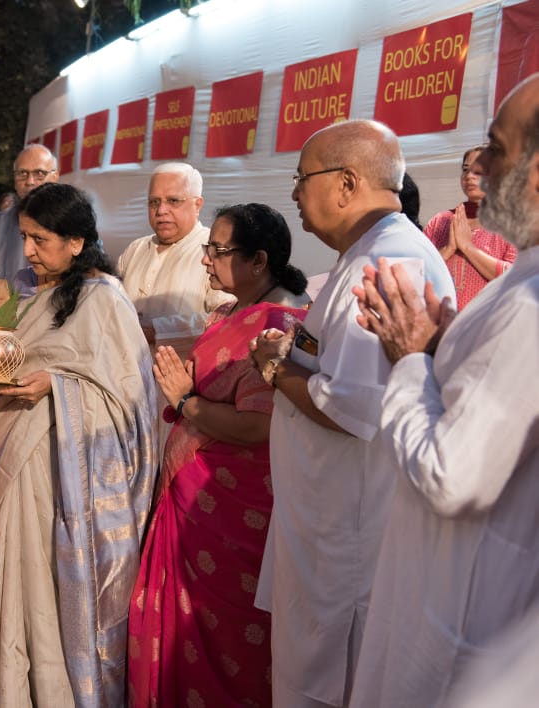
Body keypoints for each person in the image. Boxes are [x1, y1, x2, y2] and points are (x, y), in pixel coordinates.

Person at [248, 119, 455, 708]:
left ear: (345, 183)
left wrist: (273, 367)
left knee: (331, 685)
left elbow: (348, 408)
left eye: (301, 178)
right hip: (329, 520)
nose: (293, 194)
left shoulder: (389, 263)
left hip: (351, 535)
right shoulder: (365, 254)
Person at [348, 72, 539, 707]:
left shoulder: (532, 304)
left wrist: (408, 359)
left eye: (496, 147)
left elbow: (453, 475)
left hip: (460, 627)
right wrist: (439, 345)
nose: (479, 164)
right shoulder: (526, 274)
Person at [0, 183, 159, 708]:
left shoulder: (105, 300)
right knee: (11, 578)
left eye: (39, 239)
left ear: (75, 242)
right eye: (24, 237)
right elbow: (13, 356)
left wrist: (58, 385)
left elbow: (130, 403)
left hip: (61, 470)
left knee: (45, 585)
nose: (27, 252)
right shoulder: (29, 289)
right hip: (18, 455)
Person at [128, 203, 310, 708]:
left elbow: (260, 426)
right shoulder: (231, 311)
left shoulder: (278, 325)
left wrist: (186, 401)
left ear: (258, 260)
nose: (206, 260)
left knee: (225, 636)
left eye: (218, 251)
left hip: (232, 507)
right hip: (196, 495)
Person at [118, 162, 235, 358]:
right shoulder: (135, 249)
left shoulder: (215, 249)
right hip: (124, 374)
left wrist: (157, 331)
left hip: (183, 381)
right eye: (154, 202)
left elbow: (226, 317)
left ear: (197, 205)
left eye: (173, 201)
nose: (161, 210)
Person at [423, 144, 518, 308]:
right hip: (438, 323)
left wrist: (467, 247)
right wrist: (447, 250)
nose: (469, 176)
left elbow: (516, 277)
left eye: (479, 171)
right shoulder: (441, 220)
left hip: (484, 324)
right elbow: (417, 270)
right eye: (466, 169)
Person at [0, 144, 58, 285]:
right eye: (22, 173)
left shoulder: (74, 219)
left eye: (39, 173)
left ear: (55, 177)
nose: (30, 181)